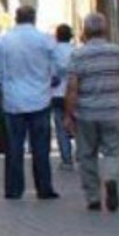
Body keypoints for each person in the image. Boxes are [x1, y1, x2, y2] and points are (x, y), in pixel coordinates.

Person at [65, 13, 119, 212]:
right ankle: (111, 178)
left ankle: (93, 197)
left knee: (87, 154)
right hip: (113, 110)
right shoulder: (117, 52)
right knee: (113, 150)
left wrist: (69, 114)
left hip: (86, 113)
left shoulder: (78, 55)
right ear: (105, 30)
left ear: (85, 31)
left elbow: (72, 88)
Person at [0, 6, 58, 200]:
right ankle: (44, 188)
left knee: (14, 148)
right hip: (40, 100)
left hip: (13, 102)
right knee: (41, 148)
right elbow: (57, 68)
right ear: (34, 18)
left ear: (16, 19)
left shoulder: (4, 41)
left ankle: (13, 189)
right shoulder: (45, 40)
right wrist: (51, 80)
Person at [51, 24, 76, 170]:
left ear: (57, 36)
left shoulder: (53, 52)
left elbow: (51, 73)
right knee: (78, 124)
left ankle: (66, 159)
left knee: (61, 127)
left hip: (58, 94)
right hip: (75, 93)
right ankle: (81, 153)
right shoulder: (76, 51)